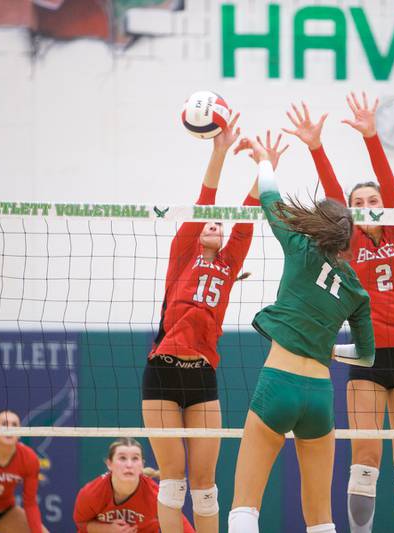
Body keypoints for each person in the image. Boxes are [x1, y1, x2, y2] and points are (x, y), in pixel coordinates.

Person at [283, 92, 394, 533]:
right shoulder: (347, 243)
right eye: (358, 202)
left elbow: (391, 187)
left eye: (372, 199)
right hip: (366, 359)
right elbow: (331, 196)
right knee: (365, 460)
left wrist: (372, 138)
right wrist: (315, 147)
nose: (366, 205)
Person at [141, 115, 288, 533]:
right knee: (172, 483)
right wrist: (219, 151)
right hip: (163, 375)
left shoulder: (229, 262)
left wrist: (266, 168)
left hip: (202, 376)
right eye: (208, 221)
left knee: (205, 487)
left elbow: (246, 214)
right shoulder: (183, 253)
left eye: (218, 225)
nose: (213, 224)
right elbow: (206, 200)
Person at [227, 135, 375, 533]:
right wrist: (329, 350)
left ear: (316, 225)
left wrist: (263, 160)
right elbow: (366, 357)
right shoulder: (357, 292)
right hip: (320, 397)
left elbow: (270, 196)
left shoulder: (299, 246)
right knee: (320, 518)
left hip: (279, 383)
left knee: (244, 505)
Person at [73, 437, 195, 533]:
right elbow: (80, 524)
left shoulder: (155, 496)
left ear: (142, 465)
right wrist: (108, 530)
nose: (129, 465)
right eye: (122, 458)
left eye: (135, 458)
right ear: (109, 464)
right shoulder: (91, 493)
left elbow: (182, 527)